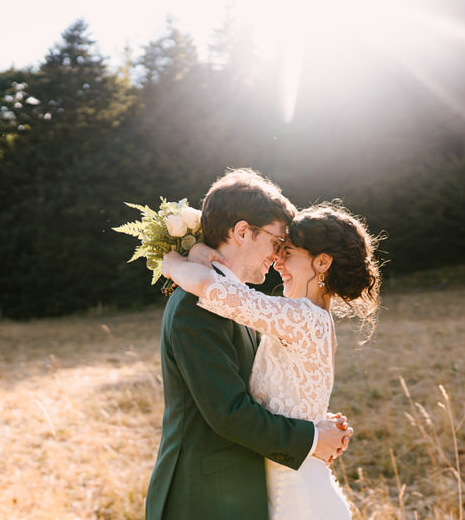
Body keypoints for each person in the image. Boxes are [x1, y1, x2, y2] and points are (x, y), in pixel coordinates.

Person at [145, 169, 353, 520]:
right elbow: (229, 414)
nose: (278, 258)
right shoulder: (193, 308)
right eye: (276, 243)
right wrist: (312, 437)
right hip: (202, 498)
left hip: (241, 492)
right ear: (243, 231)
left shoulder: (240, 304)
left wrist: (309, 416)